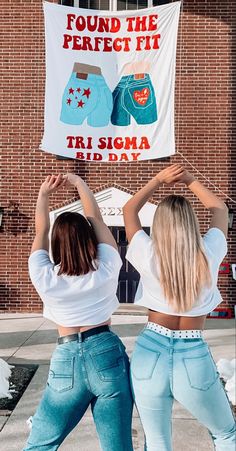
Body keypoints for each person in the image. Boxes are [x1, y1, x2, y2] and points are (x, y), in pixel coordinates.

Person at [123, 164, 236, 451]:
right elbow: (220, 209)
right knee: (226, 434)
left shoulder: (147, 252)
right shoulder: (209, 250)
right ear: (191, 224)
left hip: (151, 349)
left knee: (158, 441)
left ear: (159, 225)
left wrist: (158, 180)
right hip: (192, 353)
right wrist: (190, 180)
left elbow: (129, 210)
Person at [24, 173, 133, 451]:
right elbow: (96, 218)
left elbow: (41, 231)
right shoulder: (107, 265)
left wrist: (44, 194)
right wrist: (80, 184)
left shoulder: (44, 275)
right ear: (89, 239)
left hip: (67, 358)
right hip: (106, 351)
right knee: (117, 448)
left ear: (56, 243)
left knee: (39, 445)